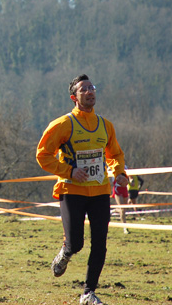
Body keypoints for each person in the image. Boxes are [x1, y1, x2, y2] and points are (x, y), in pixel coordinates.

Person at [36, 74, 127, 305]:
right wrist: (68, 171)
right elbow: (43, 155)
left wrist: (119, 173)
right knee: (76, 243)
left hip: (99, 192)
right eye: (83, 89)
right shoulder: (62, 125)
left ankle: (88, 293)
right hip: (72, 191)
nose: (89, 92)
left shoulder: (106, 126)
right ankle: (66, 252)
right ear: (74, 98)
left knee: (100, 243)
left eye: (92, 88)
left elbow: (114, 154)